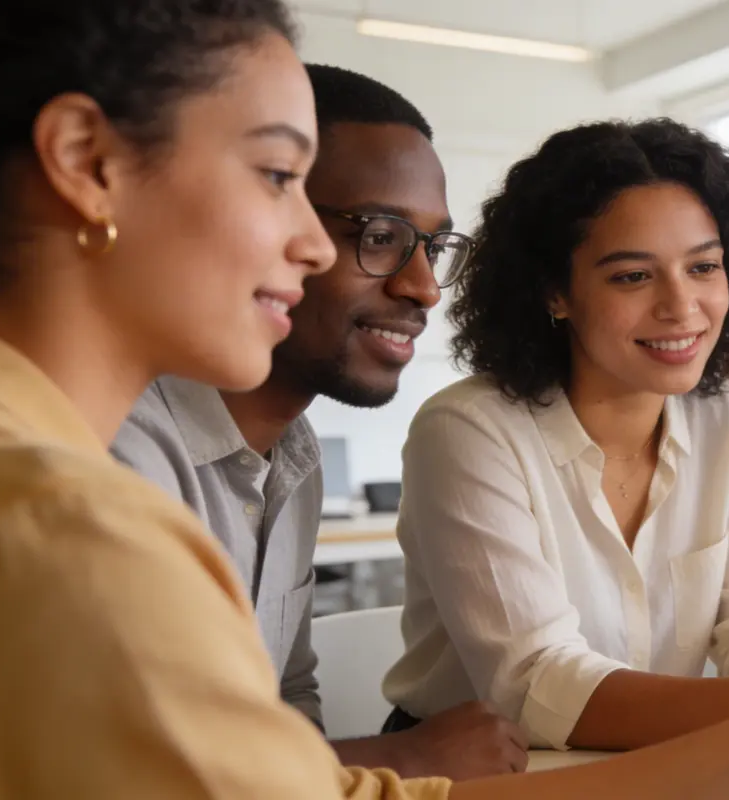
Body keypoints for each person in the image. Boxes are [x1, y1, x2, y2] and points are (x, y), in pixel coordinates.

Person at [0, 3, 729, 797]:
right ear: (87, 161)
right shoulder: (63, 520)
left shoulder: (243, 463)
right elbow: (518, 695)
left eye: (705, 264)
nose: (313, 242)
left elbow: (309, 768)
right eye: (279, 177)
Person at [110, 63, 525, 780]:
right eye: (381, 234)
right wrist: (402, 755)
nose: (422, 287)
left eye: (433, 247)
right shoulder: (121, 448)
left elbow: (285, 701)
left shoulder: (292, 457)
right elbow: (128, 768)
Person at [384, 119, 729, 752]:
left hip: (648, 759)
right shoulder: (468, 429)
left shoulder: (725, 416)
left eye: (704, 266)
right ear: (555, 292)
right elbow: (536, 684)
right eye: (632, 276)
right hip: (474, 773)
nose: (682, 306)